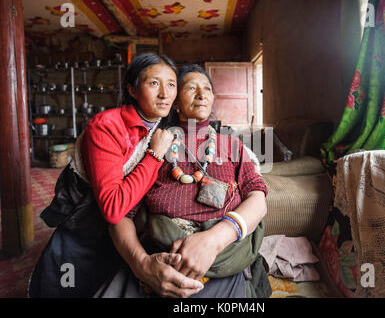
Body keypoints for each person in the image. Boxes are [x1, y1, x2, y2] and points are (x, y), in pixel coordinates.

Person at [28, 53, 204, 297]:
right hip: (86, 217)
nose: (164, 93)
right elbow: (112, 208)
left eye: (171, 84)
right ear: (132, 89)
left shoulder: (163, 126)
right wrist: (154, 154)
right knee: (68, 283)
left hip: (124, 226)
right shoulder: (107, 126)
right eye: (154, 83)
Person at [98, 64, 271, 298]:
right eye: (191, 88)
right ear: (175, 102)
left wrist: (214, 240)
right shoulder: (156, 146)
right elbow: (121, 217)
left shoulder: (233, 146)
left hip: (223, 258)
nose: (201, 94)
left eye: (207, 89)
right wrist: (143, 266)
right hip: (161, 261)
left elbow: (258, 200)